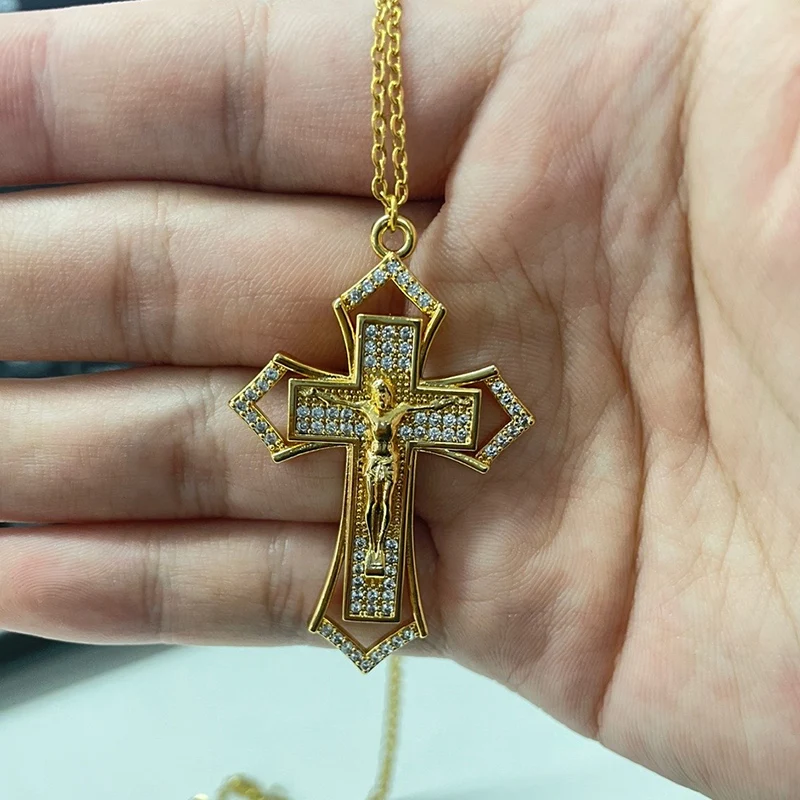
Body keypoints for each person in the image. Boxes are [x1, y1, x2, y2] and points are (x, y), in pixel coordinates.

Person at [0, 0, 797, 796]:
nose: (381, 416)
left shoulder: (403, 404)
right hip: (380, 468)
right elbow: (282, 405)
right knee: (376, 490)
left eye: (385, 407)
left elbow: (479, 415)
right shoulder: (365, 401)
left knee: (379, 494)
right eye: (379, 406)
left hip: (392, 474)